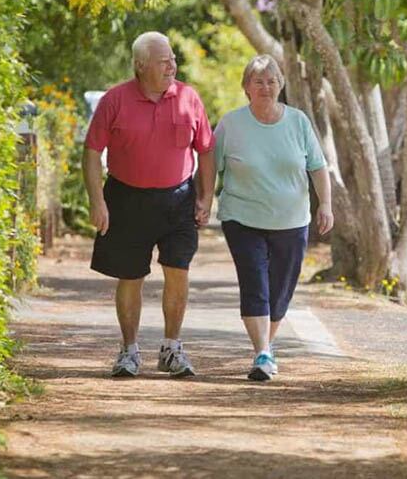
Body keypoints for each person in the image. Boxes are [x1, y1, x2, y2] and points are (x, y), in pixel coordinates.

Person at [82, 31, 215, 378]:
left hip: (178, 199)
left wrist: (205, 196)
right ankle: (129, 351)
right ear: (141, 66)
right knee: (130, 276)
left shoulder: (189, 97)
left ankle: (172, 348)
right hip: (126, 198)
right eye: (163, 60)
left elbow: (206, 149)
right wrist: (98, 202)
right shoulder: (115, 100)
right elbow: (92, 152)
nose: (172, 65)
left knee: (178, 271)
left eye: (173, 58)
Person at [215, 54, 333, 381]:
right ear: (246, 88)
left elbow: (317, 166)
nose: (266, 87)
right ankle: (262, 353)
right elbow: (211, 163)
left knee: (281, 288)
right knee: (255, 281)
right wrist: (202, 198)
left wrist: (326, 205)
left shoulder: (298, 122)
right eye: (258, 82)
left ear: (281, 85)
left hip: (292, 219)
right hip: (242, 216)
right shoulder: (231, 124)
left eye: (272, 81)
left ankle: (266, 345)